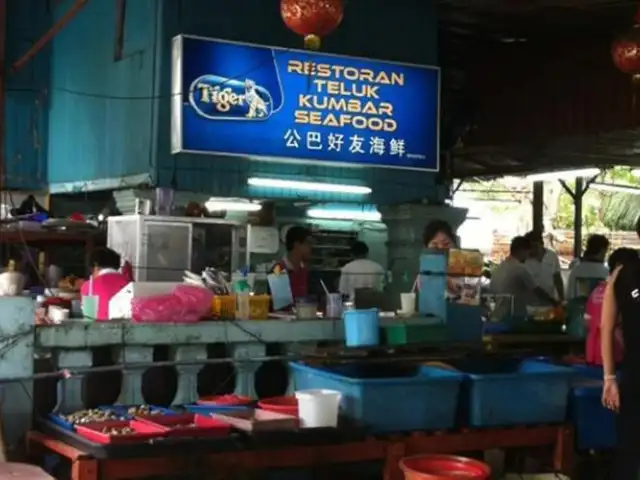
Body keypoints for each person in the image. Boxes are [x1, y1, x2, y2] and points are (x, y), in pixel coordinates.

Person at [601, 217, 640, 479]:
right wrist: (609, 377)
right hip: (634, 374)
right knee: (629, 449)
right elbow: (606, 326)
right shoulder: (623, 273)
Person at [585, 248, 636, 365]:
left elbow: (587, 322)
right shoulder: (624, 292)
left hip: (592, 355)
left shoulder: (596, 291)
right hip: (617, 356)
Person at [490, 236, 559, 321]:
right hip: (513, 316)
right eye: (527, 253)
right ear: (522, 251)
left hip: (497, 313)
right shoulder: (519, 268)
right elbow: (537, 291)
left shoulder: (501, 267)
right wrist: (555, 303)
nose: (527, 256)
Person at [79, 247, 130, 321]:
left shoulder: (89, 286)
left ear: (95, 266)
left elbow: (89, 318)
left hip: (99, 330)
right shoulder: (129, 283)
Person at [270, 226, 312, 302]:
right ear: (296, 245)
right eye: (307, 243)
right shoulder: (278, 269)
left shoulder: (303, 271)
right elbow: (279, 304)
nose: (310, 248)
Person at [524, 230, 564, 305]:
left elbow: (557, 278)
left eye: (535, 246)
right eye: (530, 247)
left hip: (550, 302)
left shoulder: (552, 256)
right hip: (531, 303)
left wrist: (562, 299)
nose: (533, 249)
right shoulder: (525, 260)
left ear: (541, 244)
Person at [566, 234, 610, 300]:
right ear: (603, 250)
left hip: (577, 309)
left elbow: (570, 296)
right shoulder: (606, 273)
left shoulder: (575, 271)